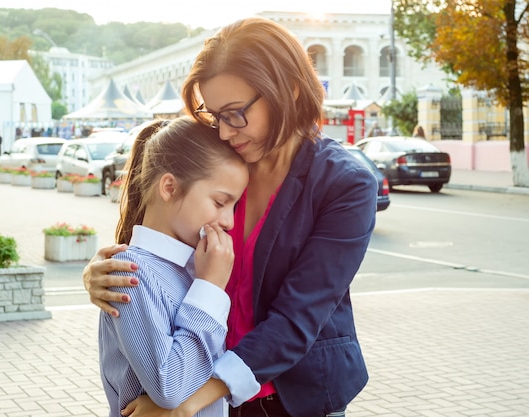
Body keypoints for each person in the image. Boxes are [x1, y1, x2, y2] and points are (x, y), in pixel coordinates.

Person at [83, 17, 377, 417]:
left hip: (288, 398)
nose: (223, 132)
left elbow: (297, 319)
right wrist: (104, 272)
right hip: (201, 392)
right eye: (215, 115)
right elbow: (161, 235)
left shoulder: (344, 183)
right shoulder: (225, 165)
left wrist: (187, 400)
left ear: (288, 90)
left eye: (236, 113)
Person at [98, 116, 254, 417]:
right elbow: (169, 386)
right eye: (220, 202)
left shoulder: (197, 265)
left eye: (234, 206)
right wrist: (209, 288)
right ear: (169, 187)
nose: (229, 221)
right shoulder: (130, 273)